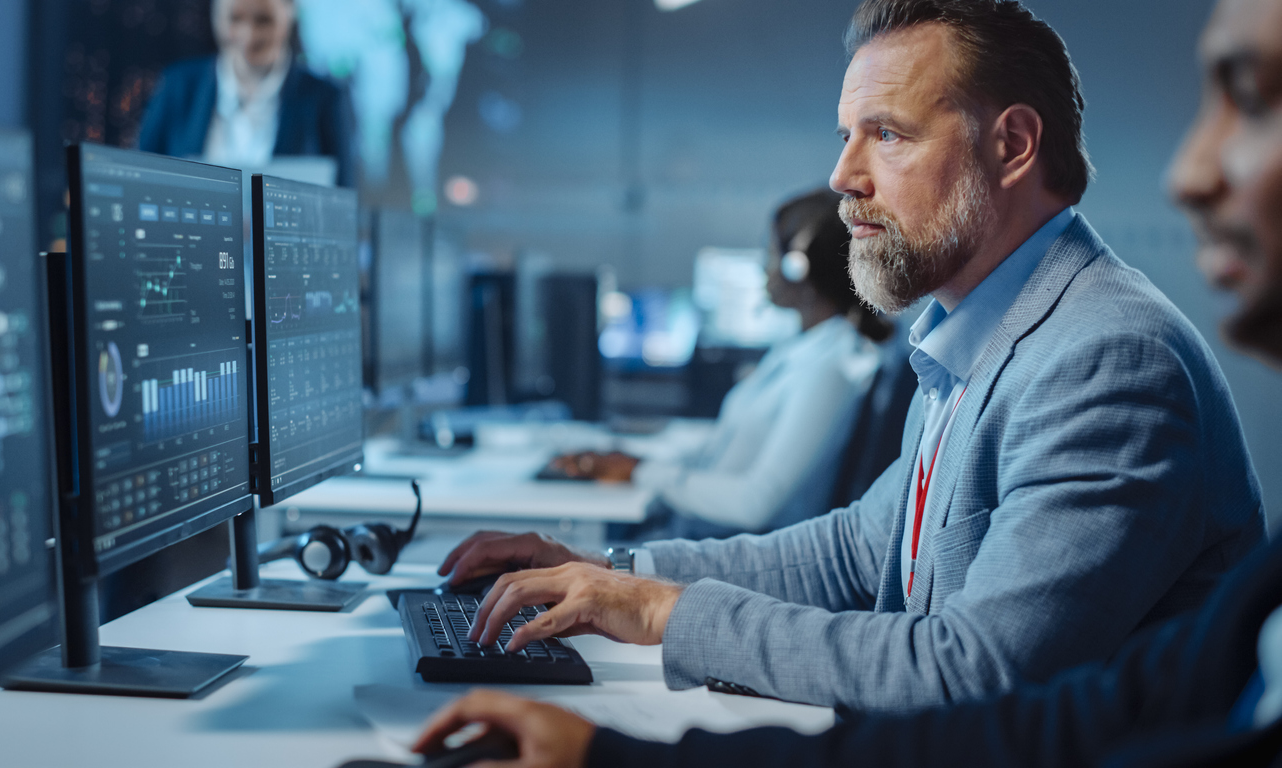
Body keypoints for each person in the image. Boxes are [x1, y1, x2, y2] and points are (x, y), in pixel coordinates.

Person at [412, 0, 1282, 763]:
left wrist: (665, 614)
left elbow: (974, 676)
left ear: (1011, 145)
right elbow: (849, 553)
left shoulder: (1105, 355)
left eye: (888, 134)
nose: (842, 177)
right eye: (846, 135)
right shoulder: (974, 334)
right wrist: (605, 571)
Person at [550, 189, 894, 537]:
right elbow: (722, 454)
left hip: (731, 550)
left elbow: (755, 503)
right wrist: (635, 460)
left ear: (799, 267)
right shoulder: (801, 351)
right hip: (699, 533)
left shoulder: (828, 370)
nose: (764, 266)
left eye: (771, 252)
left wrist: (642, 471)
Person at [136, 0, 357, 186]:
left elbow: (346, 202)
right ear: (215, 16)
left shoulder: (326, 98)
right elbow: (140, 175)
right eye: (234, 18)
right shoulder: (178, 86)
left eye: (264, 20)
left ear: (290, 12)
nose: (248, 34)